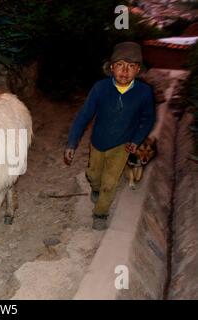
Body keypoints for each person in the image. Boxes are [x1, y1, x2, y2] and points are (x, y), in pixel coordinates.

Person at [64, 41, 155, 230]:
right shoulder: (100, 88)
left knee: (110, 182)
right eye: (120, 65)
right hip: (98, 142)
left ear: (138, 70)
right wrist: (72, 143)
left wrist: (136, 140)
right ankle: (95, 188)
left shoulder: (144, 93)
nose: (125, 71)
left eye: (131, 66)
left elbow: (147, 119)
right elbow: (84, 116)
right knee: (93, 175)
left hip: (122, 145)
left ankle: (101, 213)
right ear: (111, 67)